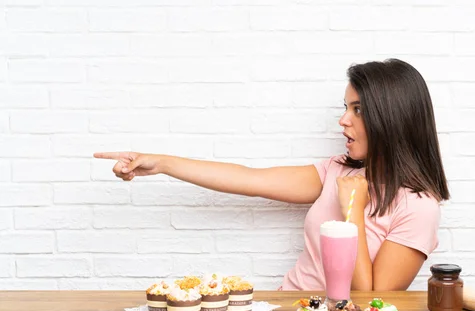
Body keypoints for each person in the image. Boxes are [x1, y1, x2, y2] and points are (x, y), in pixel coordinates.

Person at [94, 58, 449, 291]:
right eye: (345, 108)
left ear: (392, 118)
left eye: (358, 110)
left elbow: (373, 304)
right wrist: (162, 163)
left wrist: (352, 212)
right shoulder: (336, 171)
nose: (343, 120)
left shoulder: (418, 206)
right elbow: (250, 178)